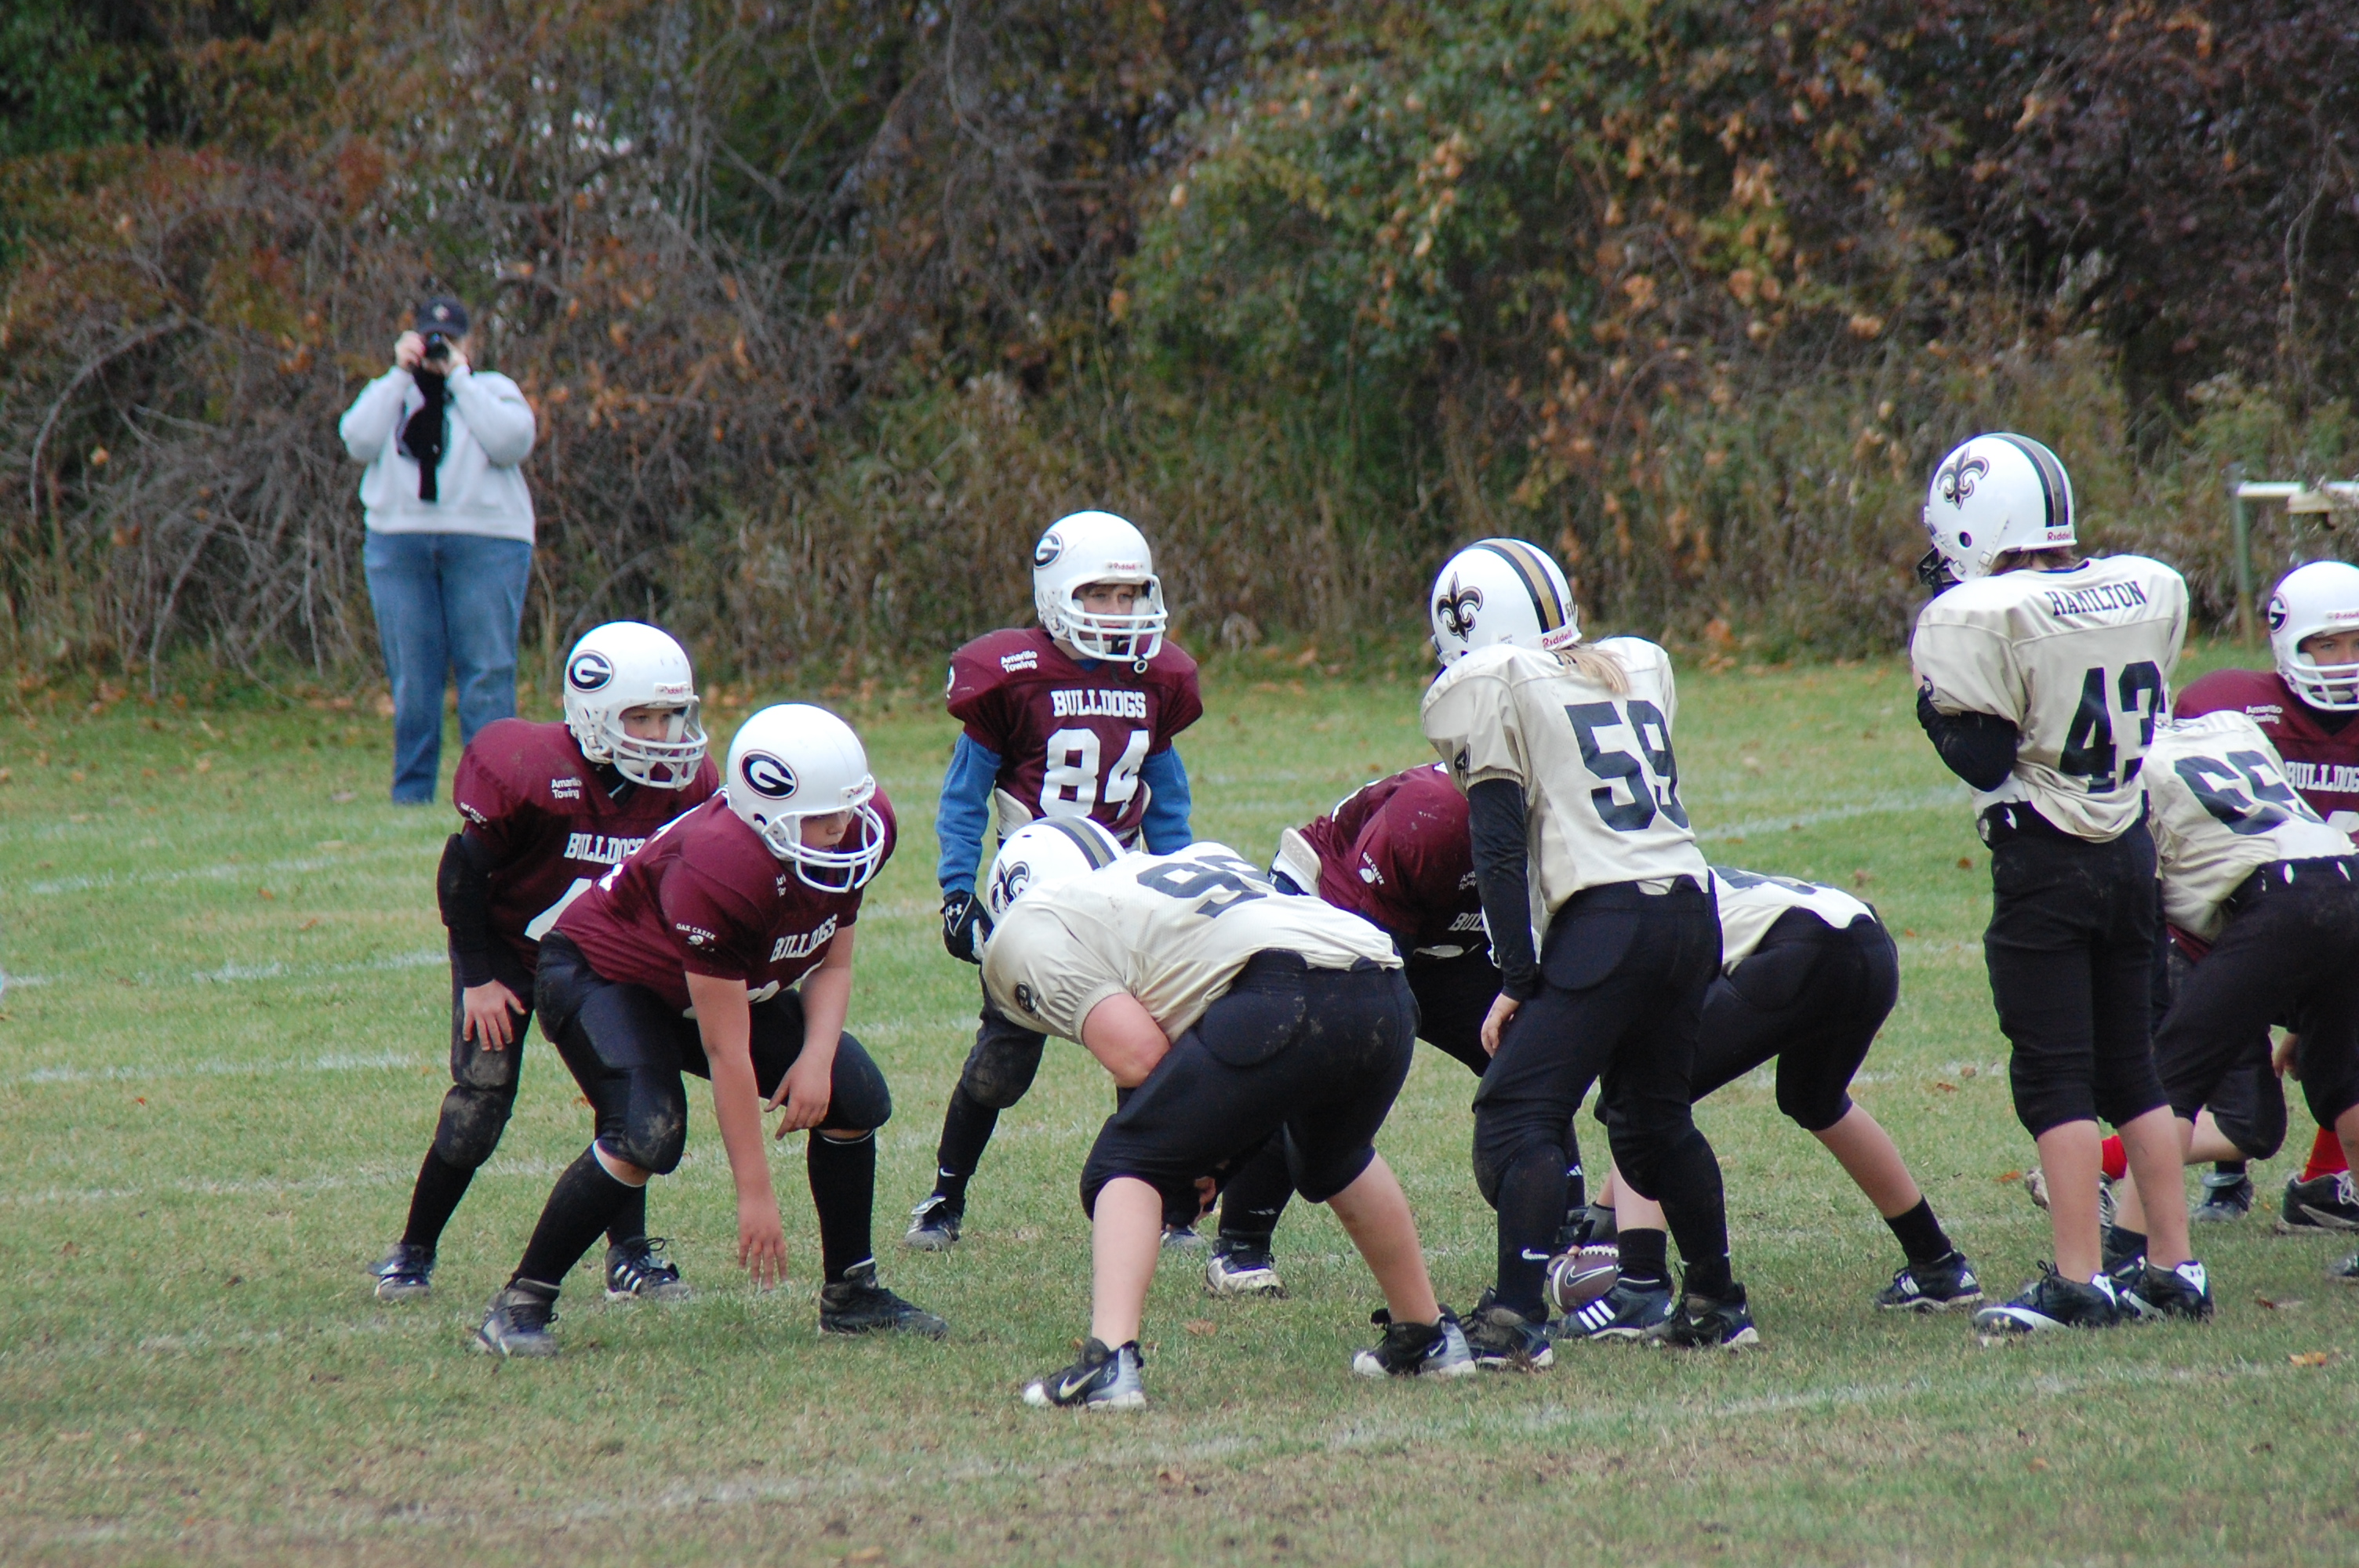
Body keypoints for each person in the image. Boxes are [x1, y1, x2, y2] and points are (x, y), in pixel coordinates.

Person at [474, 704, 943, 1356]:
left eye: (846, 809)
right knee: (646, 1132)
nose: (841, 830)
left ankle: (851, 1295)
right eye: (819, 818)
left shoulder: (864, 825)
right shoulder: (720, 867)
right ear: (763, 814)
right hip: (604, 976)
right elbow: (727, 1051)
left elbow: (834, 962)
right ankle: (519, 1304)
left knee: (853, 1093)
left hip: (711, 984)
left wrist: (816, 1058)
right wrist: (756, 1193)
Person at [979, 822, 1471, 1408]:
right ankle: (1426, 1334)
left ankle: (1108, 1363)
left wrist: (1195, 1158)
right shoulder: (1178, 867)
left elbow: (1140, 1055)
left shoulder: (1028, 926)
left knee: (1125, 1161)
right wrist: (1215, 1152)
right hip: (1383, 985)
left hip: (1284, 991)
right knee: (1335, 1156)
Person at [1421, 537, 1750, 1361]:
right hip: (1690, 908)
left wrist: (1516, 976)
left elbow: (1498, 849)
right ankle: (1715, 1300)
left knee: (1515, 1112)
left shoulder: (1495, 685)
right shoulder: (1631, 664)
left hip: (1609, 917)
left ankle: (1514, 1318)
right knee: (1651, 1120)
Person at [1910, 431, 2209, 1332]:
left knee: (2053, 1076)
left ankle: (2078, 1278)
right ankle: (2173, 1264)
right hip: (2127, 849)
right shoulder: (2141, 584)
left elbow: (1983, 753)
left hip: (2044, 859)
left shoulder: (1981, 610)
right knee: (2132, 1067)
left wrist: (1926, 705)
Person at [369, 622, 717, 1304]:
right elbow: (463, 873)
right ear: (591, 713)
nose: (661, 734)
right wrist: (477, 977)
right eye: (641, 717)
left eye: (670, 715)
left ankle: (629, 1256)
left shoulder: (686, 784)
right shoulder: (530, 768)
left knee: (628, 1101)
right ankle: (413, 1248)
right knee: (481, 1100)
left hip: (599, 961)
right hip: (511, 952)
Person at [905, 511, 1204, 1252]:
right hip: (1037, 899)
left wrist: (1181, 883)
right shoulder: (1012, 674)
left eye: (1130, 595)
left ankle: (1165, 1206)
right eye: (1099, 594)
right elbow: (964, 796)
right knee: (1001, 1065)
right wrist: (956, 890)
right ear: (1056, 595)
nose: (1118, 611)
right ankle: (944, 1197)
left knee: (1149, 1050)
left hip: (1125, 889)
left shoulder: (1156, 679)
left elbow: (1167, 802)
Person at [1564, 868, 1982, 1323]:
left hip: (1804, 950)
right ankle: (1938, 1265)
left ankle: (1640, 1286)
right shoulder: (1670, 877)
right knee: (1814, 1100)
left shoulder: (1624, 909)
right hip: (1868, 942)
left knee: (1640, 1098)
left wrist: (1604, 1216)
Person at [1201, 762, 1506, 1296]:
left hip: (1450, 933)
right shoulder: (1434, 816)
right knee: (1320, 1070)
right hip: (1339, 909)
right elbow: (1379, 961)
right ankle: (1241, 1244)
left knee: (1527, 1061)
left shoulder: (1572, 808)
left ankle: (1560, 1235)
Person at [2101, 710, 2359, 1294]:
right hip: (2345, 874)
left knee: (2171, 1080)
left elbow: (2143, 897)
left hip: (2274, 897)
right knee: (2343, 1077)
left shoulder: (2128, 764)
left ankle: (2129, 1254)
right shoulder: (2231, 727)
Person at [2170, 560, 2359, 1231]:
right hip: (2224, 930)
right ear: (2288, 643)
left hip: (2330, 927)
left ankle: (2324, 1185)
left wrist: (2312, 1017)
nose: (2344, 661)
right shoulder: (2229, 707)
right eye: (2327, 644)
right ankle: (2137, 1180)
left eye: (2357, 643)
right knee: (2229, 1093)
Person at [339, 296, 540, 805]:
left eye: (450, 340)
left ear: (470, 343)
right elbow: (357, 441)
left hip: (487, 542)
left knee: (487, 672)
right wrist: (398, 375)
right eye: (431, 338)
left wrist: (460, 378)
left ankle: (495, 797)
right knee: (413, 677)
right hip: (400, 544)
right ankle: (412, 794)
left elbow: (512, 442)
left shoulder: (492, 389)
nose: (438, 348)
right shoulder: (393, 393)